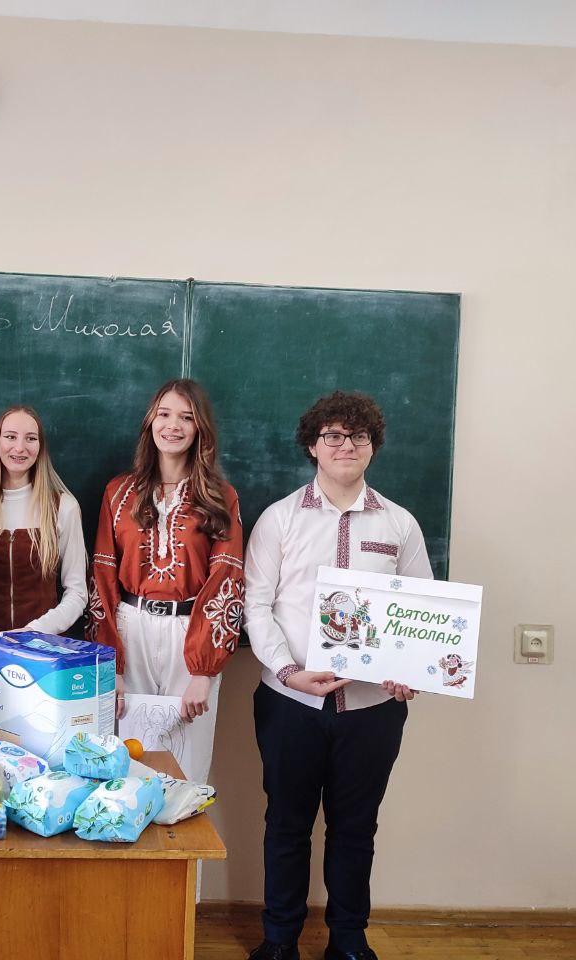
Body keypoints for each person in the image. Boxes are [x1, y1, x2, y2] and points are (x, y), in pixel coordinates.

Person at [243, 390, 433, 960]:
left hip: (372, 710)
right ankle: (280, 940)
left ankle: (348, 940)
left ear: (373, 446)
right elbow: (256, 606)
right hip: (290, 703)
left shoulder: (400, 524)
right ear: (312, 445)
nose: (345, 445)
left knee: (355, 829)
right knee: (287, 825)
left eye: (358, 436)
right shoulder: (279, 519)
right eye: (333, 435)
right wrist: (287, 670)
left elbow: (420, 610)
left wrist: (410, 671)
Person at [86, 379, 244, 785]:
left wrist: (204, 671)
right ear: (150, 422)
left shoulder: (220, 496)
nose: (173, 426)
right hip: (130, 627)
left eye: (186, 418)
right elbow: (102, 577)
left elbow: (226, 580)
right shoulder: (118, 492)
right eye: (164, 414)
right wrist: (111, 666)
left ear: (199, 429)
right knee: (127, 763)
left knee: (186, 767)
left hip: (191, 632)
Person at [0, 405, 87, 651]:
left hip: (43, 652)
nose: (20, 447)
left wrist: (34, 632)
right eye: (10, 436)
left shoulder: (64, 507)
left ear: (40, 447)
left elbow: (77, 593)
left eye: (31, 438)